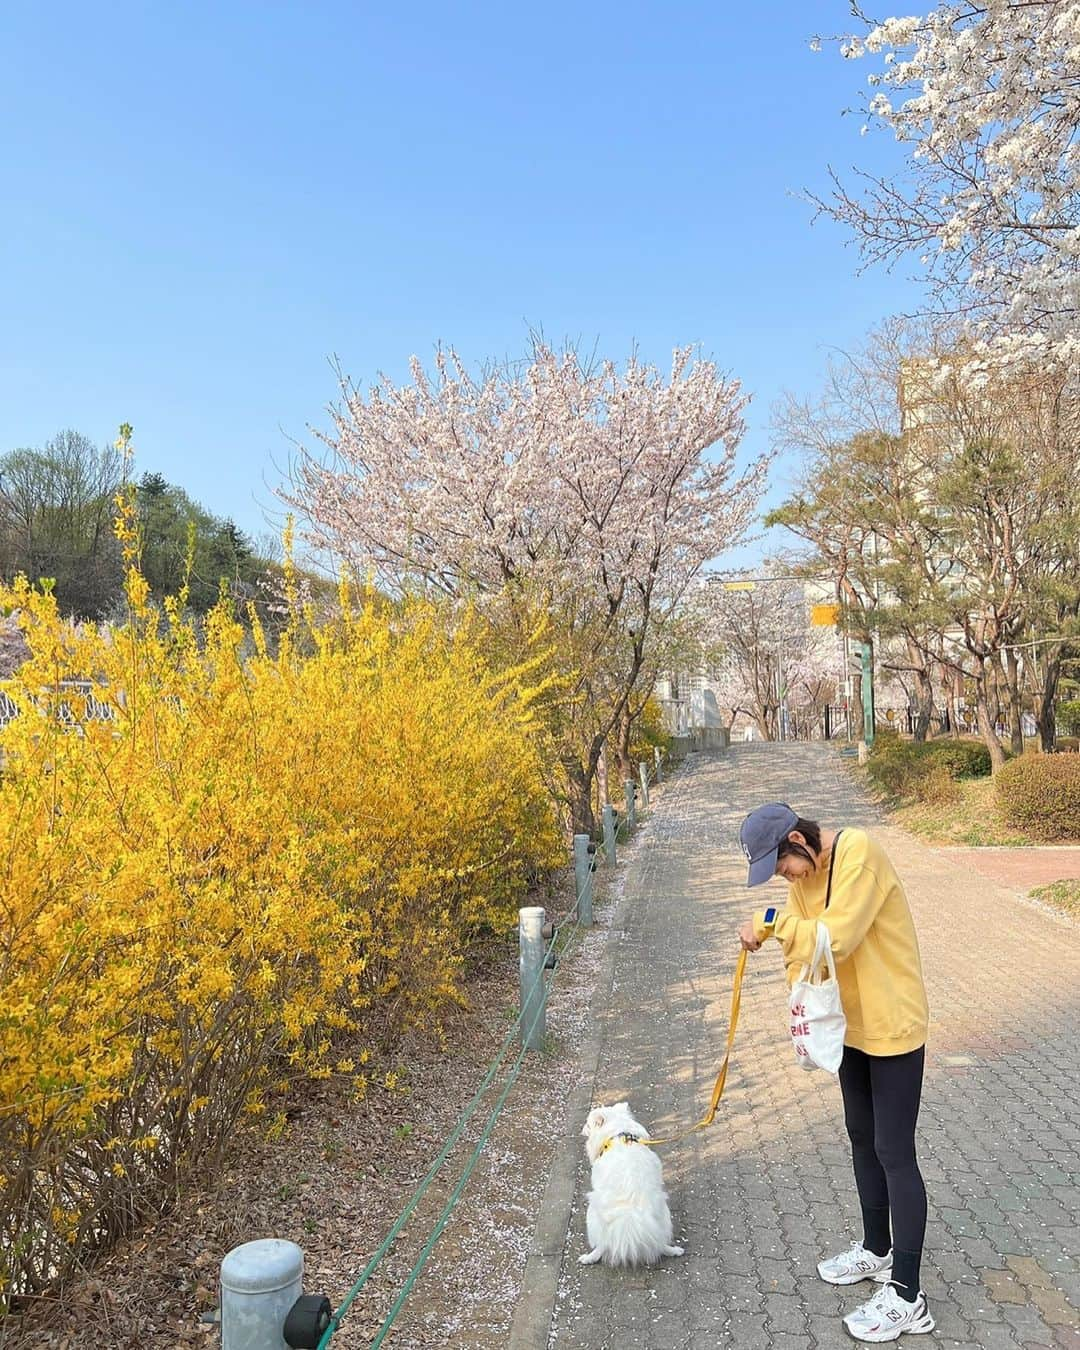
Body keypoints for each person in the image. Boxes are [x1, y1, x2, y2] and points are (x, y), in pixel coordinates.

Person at [737, 802, 933, 1344]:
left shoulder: (858, 855)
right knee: (861, 1139)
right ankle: (875, 1249)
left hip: (892, 1026)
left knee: (895, 1152)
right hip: (849, 1028)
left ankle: (909, 1295)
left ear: (799, 840)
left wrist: (770, 925)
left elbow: (832, 937)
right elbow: (804, 950)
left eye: (781, 866)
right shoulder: (806, 878)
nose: (784, 878)